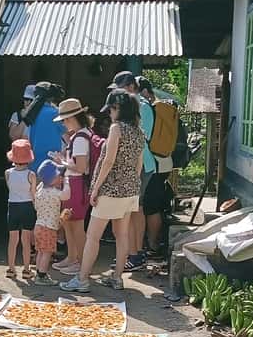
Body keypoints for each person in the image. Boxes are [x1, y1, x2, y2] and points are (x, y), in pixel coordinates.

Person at [60, 91, 144, 293]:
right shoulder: (138, 131)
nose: (110, 114)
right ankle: (117, 278)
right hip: (130, 190)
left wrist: (96, 188)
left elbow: (108, 161)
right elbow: (139, 164)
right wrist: (132, 184)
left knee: (92, 236)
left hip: (110, 189)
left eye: (112, 110)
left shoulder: (117, 129)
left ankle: (82, 279)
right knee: (121, 235)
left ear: (118, 108)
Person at [107, 71, 155, 272]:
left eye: (120, 88)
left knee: (135, 209)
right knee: (133, 209)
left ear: (131, 87)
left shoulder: (142, 106)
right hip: (135, 164)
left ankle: (135, 254)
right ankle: (131, 253)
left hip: (141, 164)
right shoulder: (136, 105)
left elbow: (142, 137)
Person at [50, 98, 96, 275]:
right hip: (74, 184)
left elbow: (81, 167)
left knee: (76, 226)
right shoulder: (82, 134)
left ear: (71, 118)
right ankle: (72, 258)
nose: (63, 123)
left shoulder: (80, 138)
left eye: (64, 120)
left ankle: (82, 263)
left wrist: (62, 162)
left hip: (77, 185)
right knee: (69, 222)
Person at [136, 76, 173, 260]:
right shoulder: (160, 107)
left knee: (151, 206)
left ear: (143, 91)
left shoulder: (147, 108)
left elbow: (145, 138)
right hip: (163, 161)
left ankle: (152, 245)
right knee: (153, 205)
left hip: (154, 163)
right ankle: (152, 244)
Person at [32, 159, 72, 286]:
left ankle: (39, 273)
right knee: (47, 253)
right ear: (52, 179)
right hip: (48, 228)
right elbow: (66, 196)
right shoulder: (53, 192)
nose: (60, 177)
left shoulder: (40, 190)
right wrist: (67, 181)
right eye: (58, 176)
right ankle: (42, 276)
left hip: (38, 226)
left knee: (40, 251)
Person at [3, 139, 37, 279]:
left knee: (12, 240)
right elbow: (33, 194)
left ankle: (11, 269)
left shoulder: (8, 173)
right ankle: (26, 269)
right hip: (27, 206)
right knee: (26, 240)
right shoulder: (31, 175)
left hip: (13, 206)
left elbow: (10, 188)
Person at [25, 81, 66, 167]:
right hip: (52, 161)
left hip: (34, 160)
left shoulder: (31, 113)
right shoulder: (55, 113)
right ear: (52, 98)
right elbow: (67, 132)